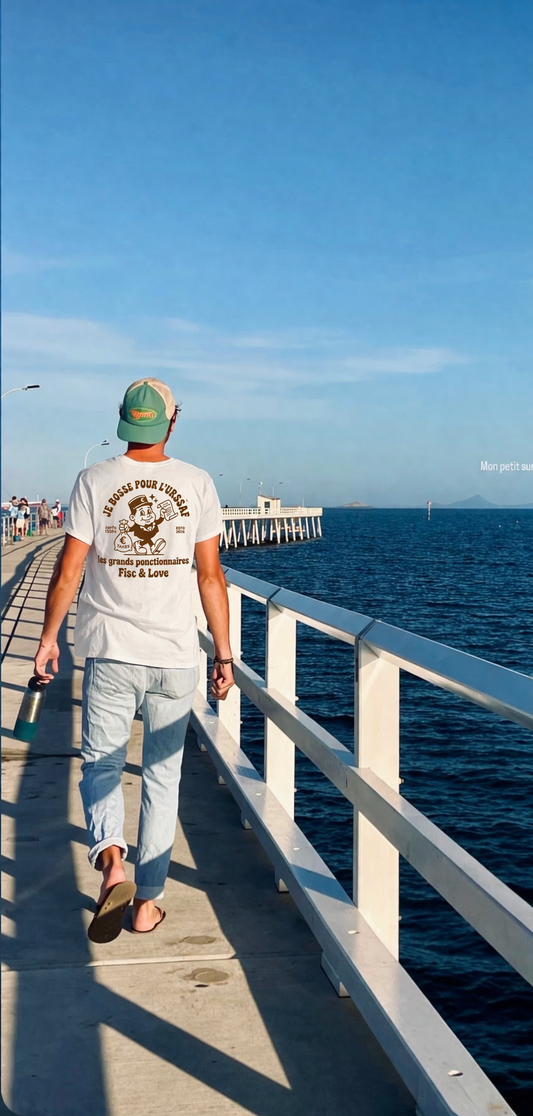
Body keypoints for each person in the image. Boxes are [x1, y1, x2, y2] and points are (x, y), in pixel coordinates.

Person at [34, 378, 234, 944]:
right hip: (173, 654)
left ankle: (111, 865)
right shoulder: (196, 484)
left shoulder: (94, 480)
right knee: (162, 777)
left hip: (110, 652)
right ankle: (146, 905)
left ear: (124, 419)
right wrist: (223, 652)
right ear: (173, 421)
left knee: (100, 763)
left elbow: (69, 570)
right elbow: (211, 576)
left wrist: (49, 639)